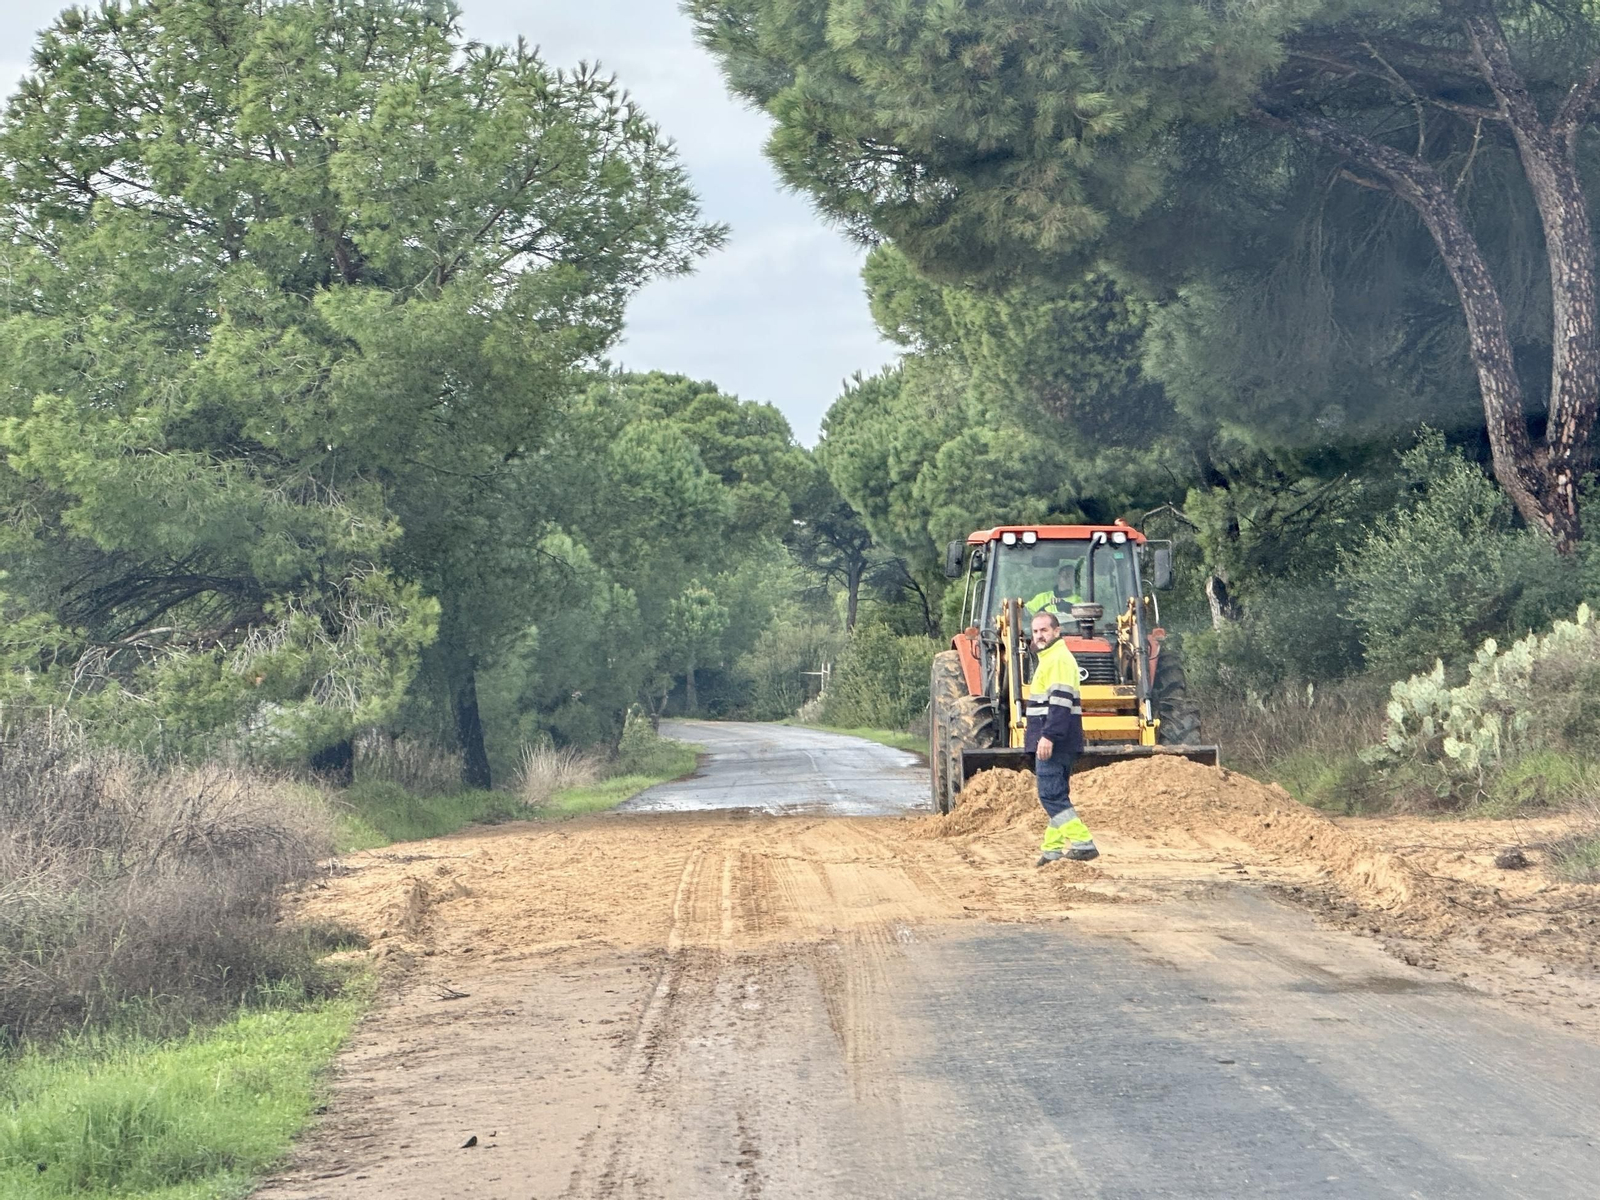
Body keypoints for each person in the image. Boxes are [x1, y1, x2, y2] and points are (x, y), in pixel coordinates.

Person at [1025, 610, 1099, 865]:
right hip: (1062, 740)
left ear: (1057, 631)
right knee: (1058, 795)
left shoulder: (1056, 659)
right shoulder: (1052, 658)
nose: (1039, 635)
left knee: (1050, 796)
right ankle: (1052, 850)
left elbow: (1059, 704)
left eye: (1044, 630)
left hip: (1054, 741)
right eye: (1035, 631)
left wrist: (1048, 736)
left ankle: (1083, 842)